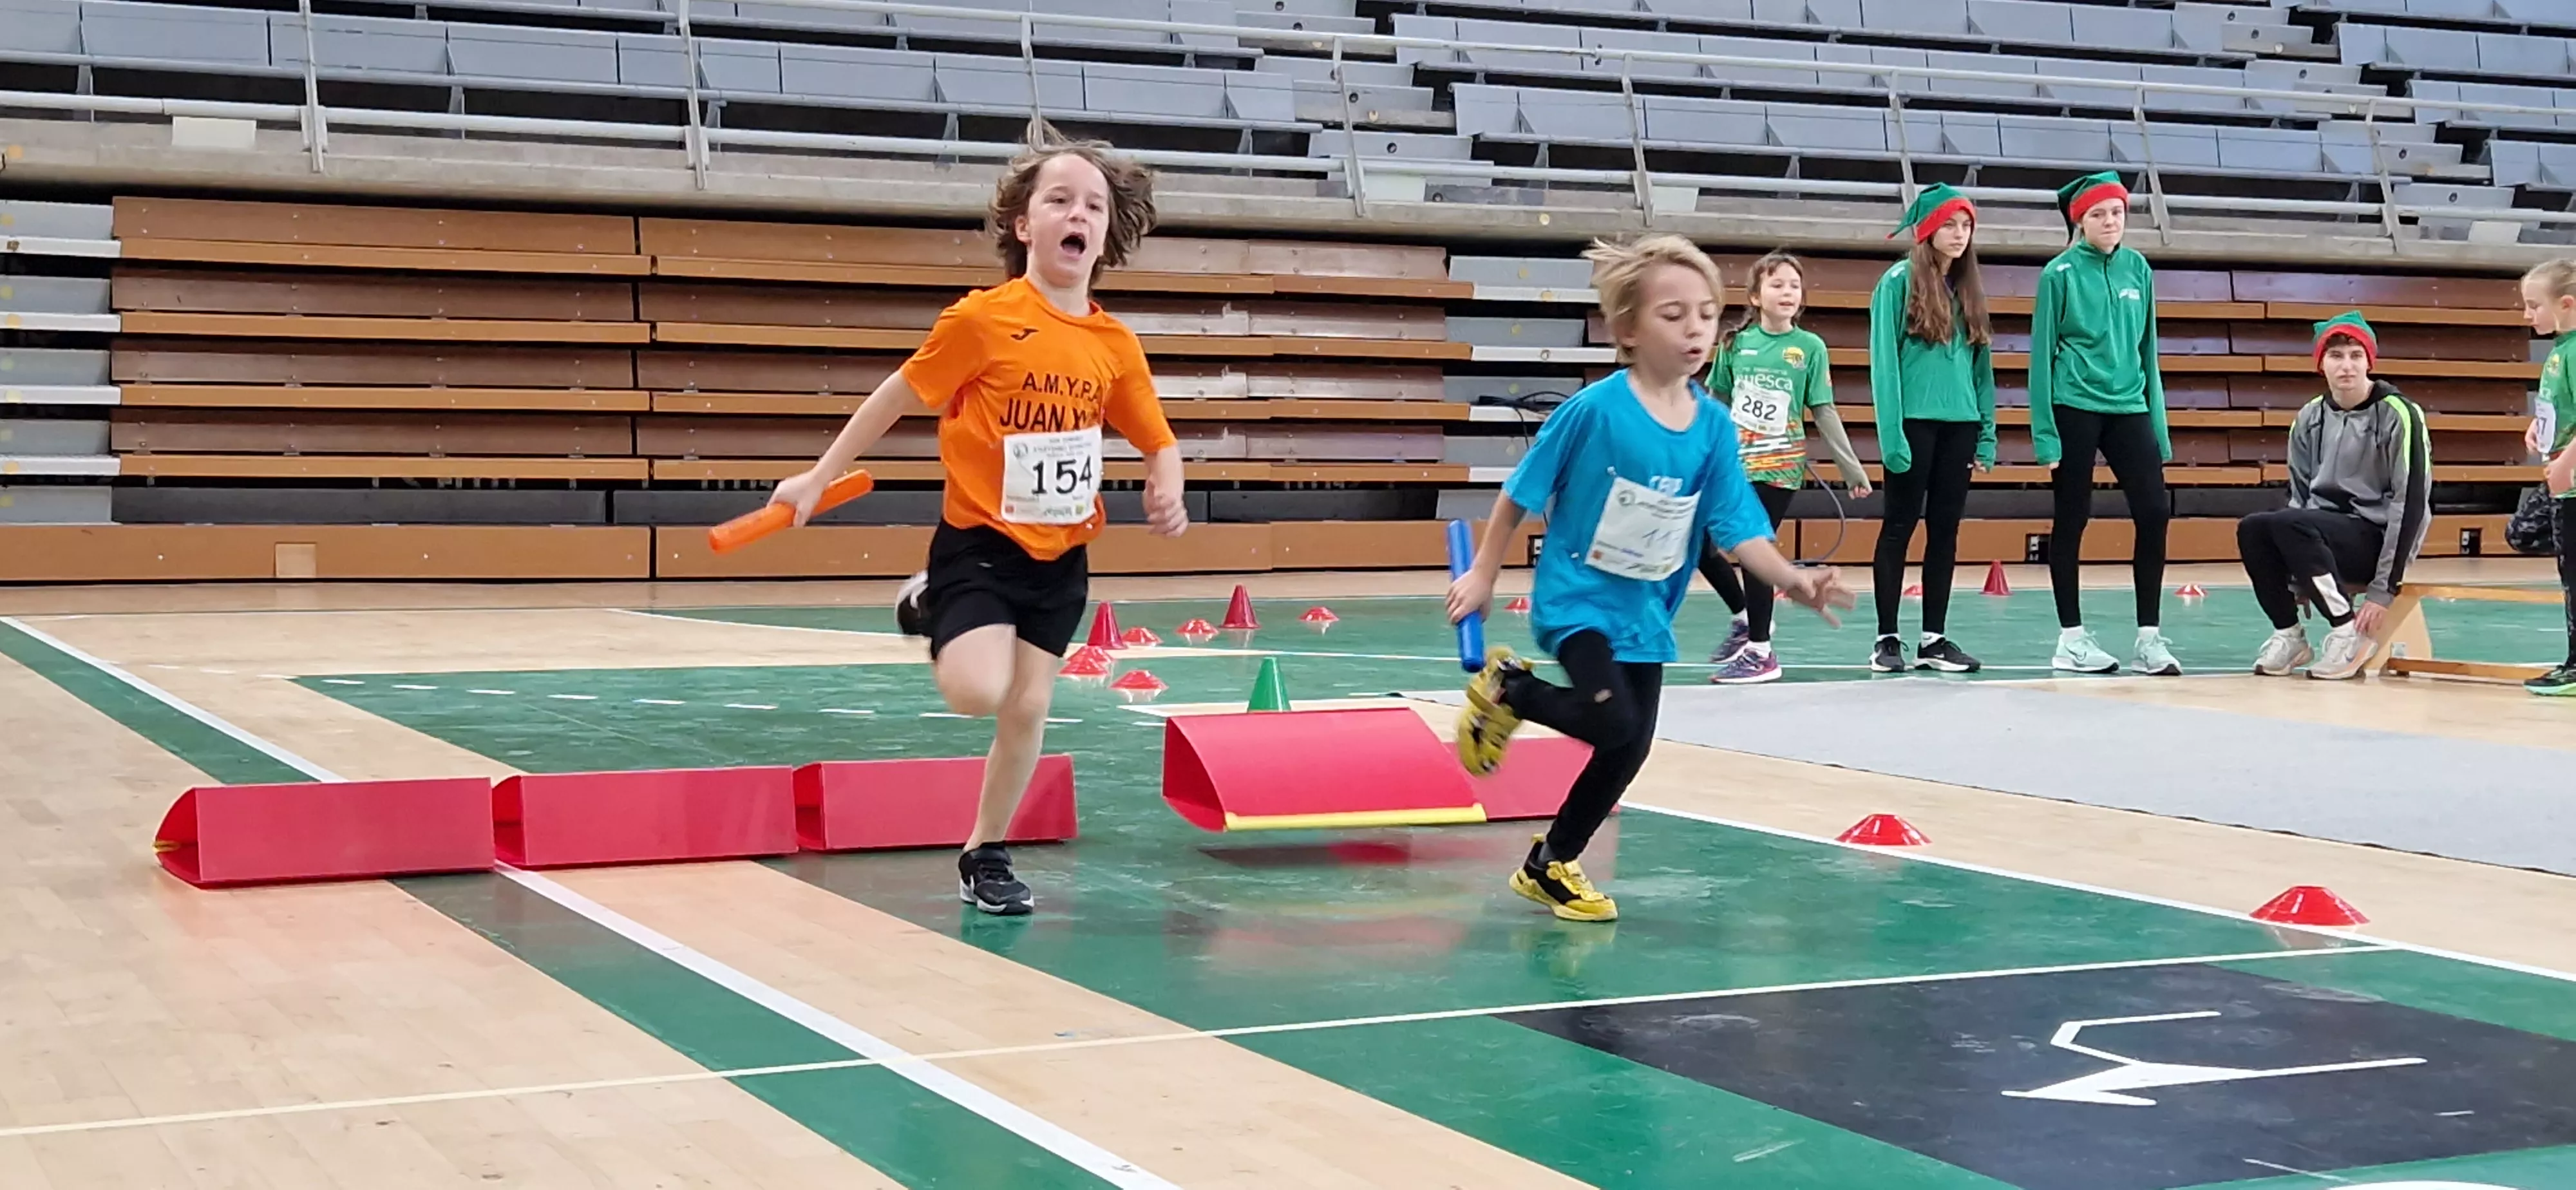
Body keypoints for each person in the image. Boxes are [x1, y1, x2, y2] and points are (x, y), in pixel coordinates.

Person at [768, 130, 1187, 915]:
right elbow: (896, 394)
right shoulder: (982, 320)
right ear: (1024, 226)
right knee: (975, 693)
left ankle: (983, 854)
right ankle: (932, 601)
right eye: (1058, 200)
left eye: (1093, 205)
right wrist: (819, 478)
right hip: (981, 542)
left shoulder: (1113, 343)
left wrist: (1168, 484)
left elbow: (1157, 438)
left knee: (1028, 708)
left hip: (1062, 555)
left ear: (1106, 231)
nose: (1078, 214)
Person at [1445, 234, 1856, 923]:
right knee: (1613, 718)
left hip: (1646, 610)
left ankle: (1550, 866)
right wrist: (1485, 572)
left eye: (1704, 313)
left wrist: (1792, 578)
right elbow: (1520, 490)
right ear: (1628, 330)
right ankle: (1510, 689)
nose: (1693, 328)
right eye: (1672, 314)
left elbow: (1738, 528)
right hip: (1578, 598)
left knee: (1628, 747)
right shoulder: (1594, 411)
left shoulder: (1713, 430)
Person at [2029, 172, 2179, 677]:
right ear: (2080, 221)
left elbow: (2148, 351)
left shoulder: (2139, 269)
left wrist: (2158, 428)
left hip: (2129, 407)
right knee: (2073, 516)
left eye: (2116, 212)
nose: (2110, 221)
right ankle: (2070, 639)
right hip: (2074, 404)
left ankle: (2149, 638)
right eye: (2099, 214)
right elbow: (2040, 358)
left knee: (2155, 510)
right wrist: (2044, 432)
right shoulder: (2059, 274)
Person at [1701, 251, 1871, 685]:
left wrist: (1851, 468)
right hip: (1732, 465)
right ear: (1756, 296)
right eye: (1777, 284)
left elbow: (1824, 410)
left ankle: (1761, 651)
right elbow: (1714, 401)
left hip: (1778, 468)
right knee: (1698, 541)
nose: (1787, 292)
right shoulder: (1735, 344)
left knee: (1753, 549)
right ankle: (1745, 617)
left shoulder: (1809, 349)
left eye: (1794, 285)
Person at [2238, 313, 2429, 681]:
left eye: (2356, 356)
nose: (2347, 366)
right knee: (2254, 527)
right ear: (2320, 364)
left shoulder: (2400, 413)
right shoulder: (2309, 417)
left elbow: (2412, 505)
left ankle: (2347, 631)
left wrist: (2383, 590)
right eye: (2336, 356)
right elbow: (2300, 496)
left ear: (2369, 362)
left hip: (2375, 539)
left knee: (2291, 524)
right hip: (2317, 536)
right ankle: (2289, 634)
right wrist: (2298, 579)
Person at [1868, 184, 1996, 674]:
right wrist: (1892, 435)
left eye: (1966, 226)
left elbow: (1982, 368)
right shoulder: (1897, 282)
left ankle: (1934, 638)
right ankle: (1887, 639)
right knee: (1899, 527)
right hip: (1913, 425)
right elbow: (1885, 364)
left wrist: (1986, 431)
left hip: (1959, 427)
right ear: (1927, 229)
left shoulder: (1968, 288)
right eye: (1950, 224)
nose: (1960, 234)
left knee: (1945, 531)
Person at [2520, 258, 2576, 695]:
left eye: (2534, 305)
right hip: (2562, 477)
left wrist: (2565, 462)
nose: (2527, 315)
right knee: (2522, 533)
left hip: (2571, 478)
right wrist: (2542, 427)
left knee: (2574, 574)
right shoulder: (2559, 351)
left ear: (2567, 304)